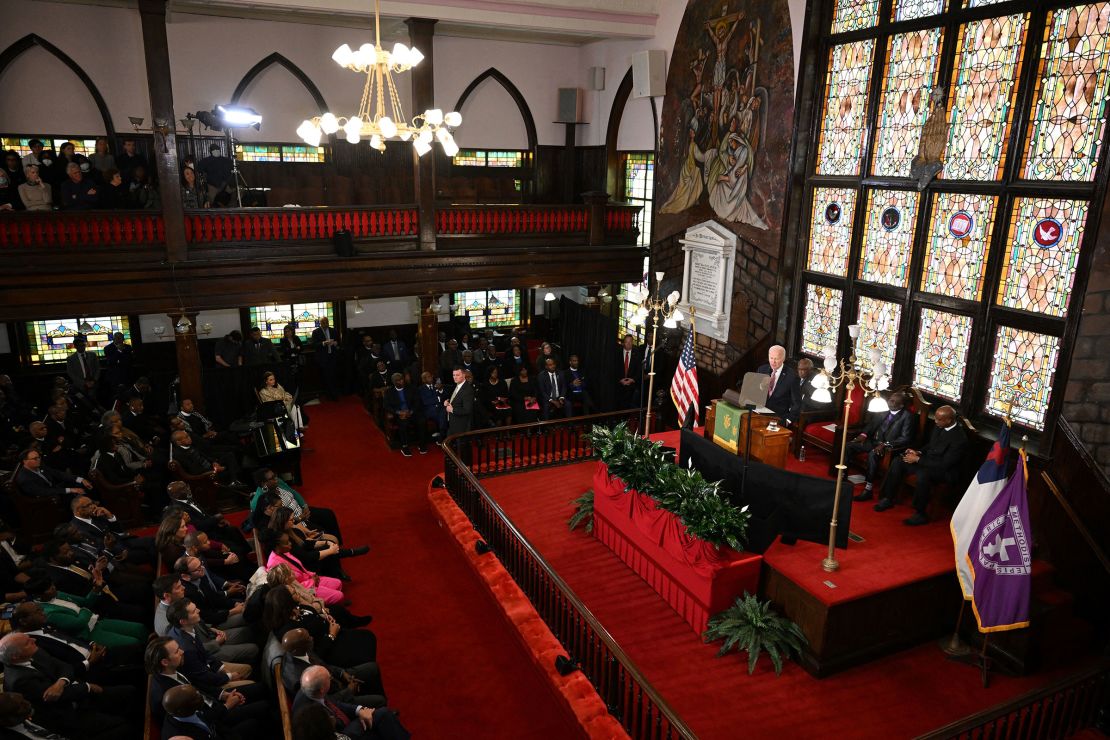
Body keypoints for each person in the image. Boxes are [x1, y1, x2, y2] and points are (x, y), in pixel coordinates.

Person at [0, 632, 136, 740]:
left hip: (78, 691)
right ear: (15, 657)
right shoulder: (19, 680)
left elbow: (64, 667)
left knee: (130, 692)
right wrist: (87, 687)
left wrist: (61, 682)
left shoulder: (33, 652)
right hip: (69, 710)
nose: (34, 641)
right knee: (124, 726)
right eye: (27, 643)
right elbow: (58, 697)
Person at [874, 405, 969, 525]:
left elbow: (945, 464)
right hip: (927, 461)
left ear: (949, 420)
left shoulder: (959, 439)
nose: (935, 421)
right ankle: (888, 497)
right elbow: (931, 445)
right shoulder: (940, 425)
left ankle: (920, 513)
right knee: (899, 461)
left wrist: (918, 459)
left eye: (939, 419)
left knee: (923, 474)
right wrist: (918, 452)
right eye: (935, 418)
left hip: (945, 471)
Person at [292, 666, 410, 740]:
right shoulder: (311, 713)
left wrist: (360, 710)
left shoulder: (311, 689)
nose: (331, 678)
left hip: (345, 726)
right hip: (344, 733)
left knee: (382, 716)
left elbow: (336, 704)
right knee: (384, 715)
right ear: (322, 689)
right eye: (329, 678)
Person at [280, 627, 385, 707]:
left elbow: (324, 665)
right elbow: (324, 701)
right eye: (308, 639)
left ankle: (370, 697)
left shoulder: (302, 648)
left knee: (373, 668)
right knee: (380, 700)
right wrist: (348, 691)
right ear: (296, 650)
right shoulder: (299, 680)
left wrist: (342, 673)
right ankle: (381, 714)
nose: (312, 639)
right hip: (337, 700)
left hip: (334, 681)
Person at [849, 391, 915, 501]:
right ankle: (842, 476)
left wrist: (886, 444)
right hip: (874, 441)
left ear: (901, 405)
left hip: (889, 448)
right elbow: (872, 424)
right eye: (890, 400)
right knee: (850, 445)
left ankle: (868, 489)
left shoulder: (908, 417)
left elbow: (905, 438)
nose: (890, 402)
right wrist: (863, 434)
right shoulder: (884, 408)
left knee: (873, 455)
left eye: (893, 401)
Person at [754, 344, 801, 426]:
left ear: (783, 359)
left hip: (778, 419)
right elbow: (754, 392)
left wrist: (788, 421)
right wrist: (761, 386)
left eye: (776, 359)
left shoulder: (792, 377)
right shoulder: (762, 369)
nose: (773, 361)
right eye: (771, 358)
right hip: (758, 415)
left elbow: (797, 404)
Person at [383, 372, 425, 456]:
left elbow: (417, 402)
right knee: (403, 424)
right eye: (398, 381)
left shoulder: (411, 388)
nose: (401, 382)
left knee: (421, 421)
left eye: (402, 379)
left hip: (411, 412)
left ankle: (421, 443)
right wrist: (398, 412)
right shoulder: (389, 392)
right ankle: (404, 446)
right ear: (394, 382)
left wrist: (411, 411)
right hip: (399, 414)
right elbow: (386, 406)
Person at [260, 371, 306, 435]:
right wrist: (283, 399)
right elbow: (270, 403)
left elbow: (285, 393)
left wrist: (287, 397)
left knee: (295, 406)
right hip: (274, 409)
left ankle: (296, 429)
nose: (273, 381)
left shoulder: (277, 387)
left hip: (283, 405)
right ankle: (296, 429)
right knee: (294, 407)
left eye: (274, 379)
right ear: (266, 381)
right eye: (271, 380)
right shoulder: (263, 392)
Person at [311, 318, 341, 401]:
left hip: (333, 357)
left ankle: (335, 393)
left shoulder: (333, 330)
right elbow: (314, 344)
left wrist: (335, 343)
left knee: (334, 376)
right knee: (326, 376)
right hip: (323, 358)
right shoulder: (316, 332)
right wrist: (324, 343)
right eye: (323, 322)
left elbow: (339, 341)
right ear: (320, 323)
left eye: (326, 322)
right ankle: (328, 394)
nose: (325, 324)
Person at [615, 334, 644, 410]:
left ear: (632, 342)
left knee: (630, 406)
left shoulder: (637, 354)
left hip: (632, 385)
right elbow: (613, 369)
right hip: (618, 384)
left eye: (630, 342)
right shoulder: (617, 353)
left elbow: (639, 370)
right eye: (626, 342)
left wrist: (632, 380)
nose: (628, 344)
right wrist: (620, 380)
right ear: (623, 343)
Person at [444, 367, 475, 437]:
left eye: (457, 375)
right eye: (453, 375)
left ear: (464, 375)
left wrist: (452, 410)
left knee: (460, 446)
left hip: (461, 425)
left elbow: (467, 410)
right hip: (453, 423)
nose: (455, 377)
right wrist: (448, 403)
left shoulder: (467, 390)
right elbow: (457, 402)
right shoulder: (457, 385)